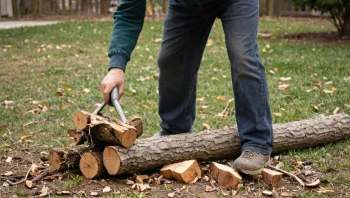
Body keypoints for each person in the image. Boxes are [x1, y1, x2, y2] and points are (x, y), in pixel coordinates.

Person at [100, 0, 273, 175]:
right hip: (187, 5)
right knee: (172, 59)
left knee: (242, 55)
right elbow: (129, 12)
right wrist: (116, 67)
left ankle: (257, 142)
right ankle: (175, 132)